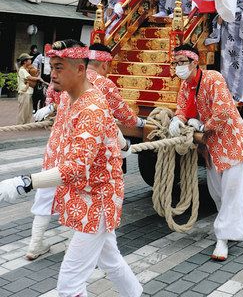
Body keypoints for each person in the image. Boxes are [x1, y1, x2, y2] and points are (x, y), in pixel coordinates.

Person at [0, 39, 143, 297]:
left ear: (81, 69)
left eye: (59, 67)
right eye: (52, 66)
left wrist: (25, 182)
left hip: (97, 199)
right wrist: (122, 146)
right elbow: (110, 128)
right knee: (110, 258)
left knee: (69, 283)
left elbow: (76, 168)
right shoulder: (69, 97)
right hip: (82, 192)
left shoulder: (92, 106)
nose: (52, 74)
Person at [29, 42, 145, 261]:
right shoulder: (102, 84)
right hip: (83, 155)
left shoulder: (68, 82)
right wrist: (141, 122)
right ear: (103, 64)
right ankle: (81, 244)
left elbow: (53, 98)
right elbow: (121, 114)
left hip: (56, 148)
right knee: (83, 198)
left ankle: (35, 245)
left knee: (45, 196)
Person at [168, 43, 243, 262]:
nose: (179, 67)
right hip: (211, 146)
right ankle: (236, 223)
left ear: (194, 62)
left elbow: (224, 110)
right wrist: (177, 119)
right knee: (217, 192)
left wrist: (203, 125)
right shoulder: (186, 86)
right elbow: (182, 108)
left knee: (233, 190)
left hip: (231, 142)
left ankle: (223, 238)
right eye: (176, 63)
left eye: (182, 63)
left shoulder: (213, 78)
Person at [16, 53, 42, 124]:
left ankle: (26, 124)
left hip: (28, 93)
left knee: (28, 111)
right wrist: (38, 78)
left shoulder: (26, 70)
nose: (30, 60)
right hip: (24, 93)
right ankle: (20, 125)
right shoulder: (22, 70)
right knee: (23, 111)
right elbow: (30, 78)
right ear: (25, 61)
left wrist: (37, 75)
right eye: (29, 59)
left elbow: (31, 79)